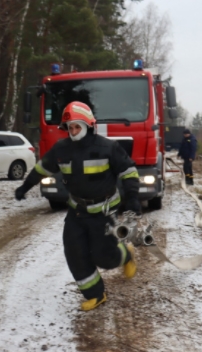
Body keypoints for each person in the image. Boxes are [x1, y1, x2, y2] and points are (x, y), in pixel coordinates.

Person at [14, 101, 141, 311]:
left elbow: (129, 172)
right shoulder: (61, 150)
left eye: (77, 126)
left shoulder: (108, 147)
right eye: (70, 127)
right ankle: (96, 294)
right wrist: (25, 186)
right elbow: (42, 169)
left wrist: (133, 198)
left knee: (104, 258)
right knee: (75, 253)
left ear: (88, 125)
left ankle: (126, 254)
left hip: (103, 212)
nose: (73, 131)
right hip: (77, 212)